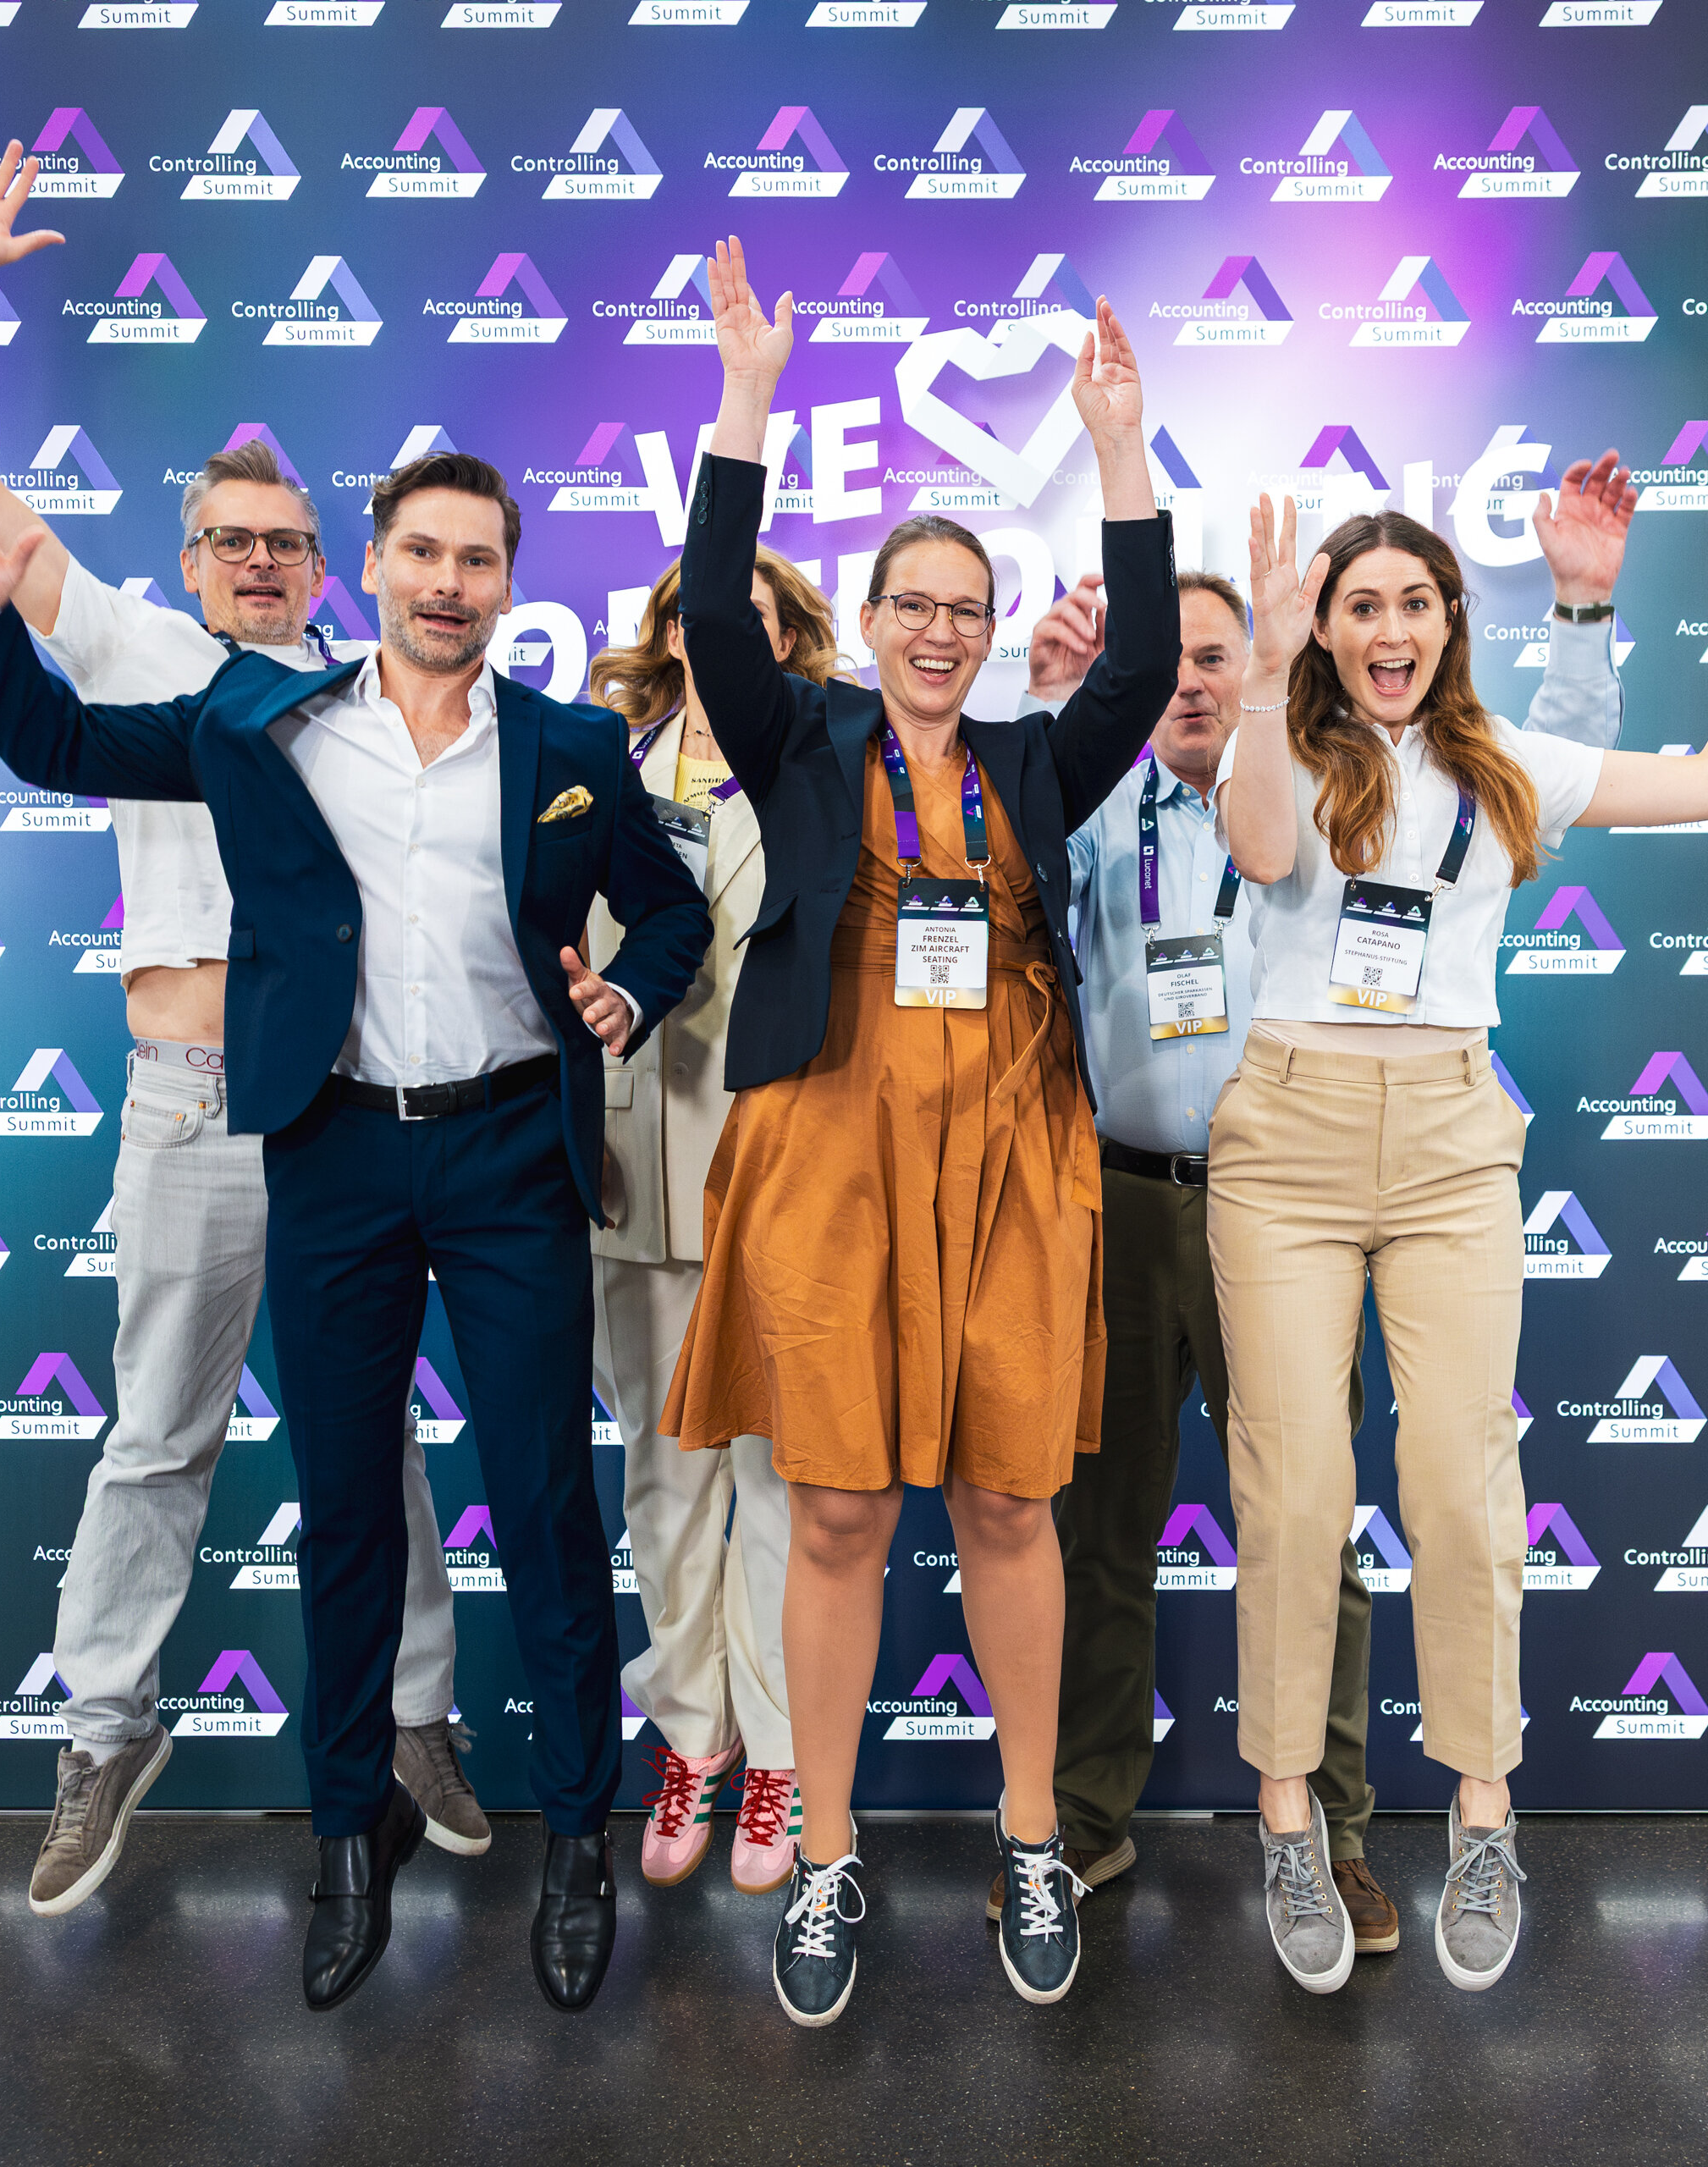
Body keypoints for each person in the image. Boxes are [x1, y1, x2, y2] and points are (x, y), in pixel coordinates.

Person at [0, 438, 711, 2019]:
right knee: (343, 1515)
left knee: (544, 1509)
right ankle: (345, 1842)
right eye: (425, 555)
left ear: (508, 584)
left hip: (510, 1157)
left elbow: (671, 908)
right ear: (375, 570)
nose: (449, 585)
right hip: (334, 1152)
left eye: (478, 561)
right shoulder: (266, 718)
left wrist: (629, 989)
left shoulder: (569, 744)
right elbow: (60, 744)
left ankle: (578, 1846)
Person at [1212, 463, 1708, 1996]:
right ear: (1324, 626)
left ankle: (1483, 1816)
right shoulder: (1282, 742)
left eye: (1416, 605)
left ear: (1452, 623)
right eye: (1360, 607)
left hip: (1453, 1138)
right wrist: (1260, 669)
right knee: (1298, 1491)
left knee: (1462, 1486)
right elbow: (1256, 851)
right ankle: (1287, 1821)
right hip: (1290, 1139)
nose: (1390, 630)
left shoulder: (1503, 761)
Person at [0, 138, 482, 1916]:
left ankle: (412, 1717)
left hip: (344, 1108)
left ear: (330, 569)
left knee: (374, 1434)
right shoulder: (144, 656)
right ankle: (106, 1729)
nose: (258, 563)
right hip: (187, 1095)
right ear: (189, 561)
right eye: (231, 540)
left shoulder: (377, 695)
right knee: (156, 1431)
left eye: (287, 544)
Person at [658, 237, 1175, 2026]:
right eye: (914, 604)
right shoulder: (801, 742)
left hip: (1014, 1160)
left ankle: (1032, 1838)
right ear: (870, 623)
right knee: (835, 1512)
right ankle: (826, 1852)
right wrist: (745, 400)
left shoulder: (1034, 764)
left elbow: (1144, 668)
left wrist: (1119, 448)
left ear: (989, 627)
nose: (942, 630)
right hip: (831, 1150)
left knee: (1014, 1500)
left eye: (968, 607)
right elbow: (711, 608)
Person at [1017, 453, 1631, 1955]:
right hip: (1126, 1201)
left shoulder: (1331, 784)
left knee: (1313, 1516)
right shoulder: (1100, 810)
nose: (1192, 682)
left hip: (1297, 1188)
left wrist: (1581, 611)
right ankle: (1084, 1828)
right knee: (1106, 1531)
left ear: (1264, 663)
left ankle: (1339, 1842)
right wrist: (1050, 711)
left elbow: (1545, 772)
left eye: (1217, 655)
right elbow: (1016, 890)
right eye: (1166, 662)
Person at [581, 554, 839, 1896]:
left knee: (781, 1486)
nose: (721, 631)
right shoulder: (602, 767)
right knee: (664, 1484)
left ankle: (782, 1759)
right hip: (635, 1167)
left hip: (781, 1172)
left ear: (787, 641)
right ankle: (693, 1737)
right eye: (696, 610)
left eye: (753, 614)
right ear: (667, 632)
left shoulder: (823, 773)